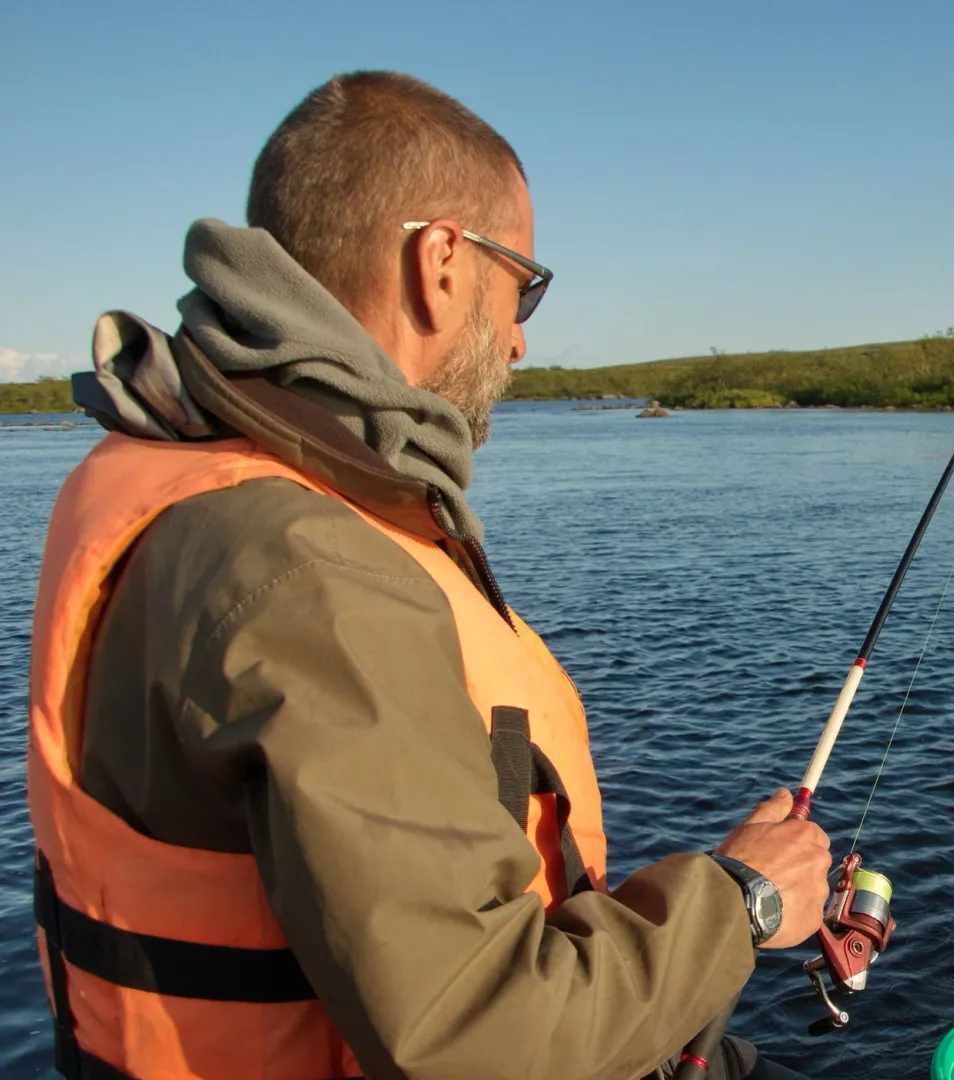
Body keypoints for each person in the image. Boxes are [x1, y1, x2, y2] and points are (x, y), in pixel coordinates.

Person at [26, 70, 831, 1080]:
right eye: (523, 284)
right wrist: (741, 903)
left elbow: (471, 804)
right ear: (441, 261)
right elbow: (483, 1042)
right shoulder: (303, 565)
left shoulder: (194, 474)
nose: (524, 335)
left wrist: (699, 896)